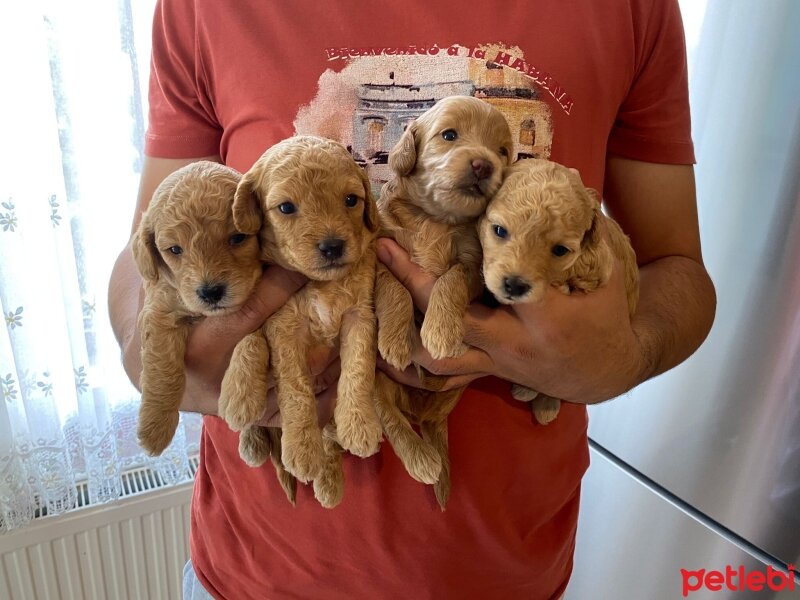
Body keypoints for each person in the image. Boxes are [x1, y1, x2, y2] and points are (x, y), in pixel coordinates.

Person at [108, 0, 716, 598]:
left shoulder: (633, 9)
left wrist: (630, 355)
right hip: (253, 569)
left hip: (506, 569)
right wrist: (156, 360)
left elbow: (677, 267)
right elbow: (152, 247)